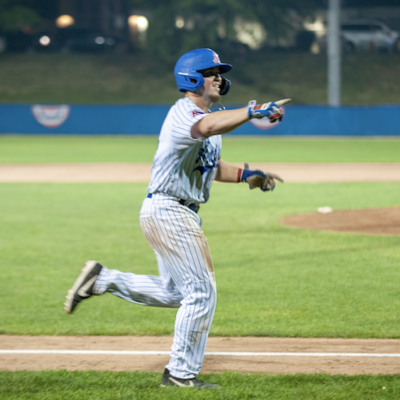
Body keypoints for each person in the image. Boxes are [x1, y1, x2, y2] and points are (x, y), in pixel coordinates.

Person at [64, 48, 285, 389]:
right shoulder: (185, 114)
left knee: (175, 292)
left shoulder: (207, 120)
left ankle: (102, 279)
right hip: (169, 210)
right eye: (210, 71)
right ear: (192, 78)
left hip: (174, 212)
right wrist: (253, 111)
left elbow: (209, 166)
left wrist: (247, 175)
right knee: (200, 292)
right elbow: (206, 126)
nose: (218, 76)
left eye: (219, 71)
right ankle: (180, 374)